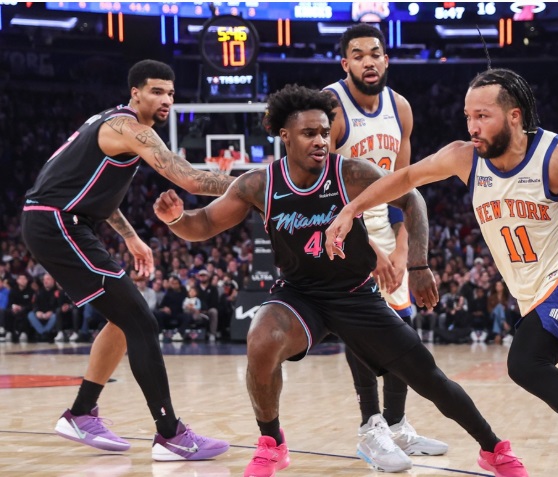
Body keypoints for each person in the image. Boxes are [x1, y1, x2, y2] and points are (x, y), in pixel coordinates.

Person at [324, 67, 558, 477]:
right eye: (468, 116)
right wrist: (351, 209)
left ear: (514, 116)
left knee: (525, 362)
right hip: (531, 296)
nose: (472, 127)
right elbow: (405, 178)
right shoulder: (463, 157)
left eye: (483, 116)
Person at [153, 84, 527, 477]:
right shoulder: (259, 184)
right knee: (261, 339)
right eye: (308, 133)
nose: (320, 140)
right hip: (300, 296)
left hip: (355, 294)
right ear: (285, 136)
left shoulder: (349, 172)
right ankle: (272, 444)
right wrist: (176, 218)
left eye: (324, 132)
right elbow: (205, 223)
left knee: (428, 377)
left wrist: (418, 265)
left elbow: (411, 198)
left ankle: (493, 448)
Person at [20, 59, 230, 460]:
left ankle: (82, 412)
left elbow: (94, 191)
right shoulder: (127, 127)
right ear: (136, 93)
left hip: (64, 221)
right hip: (57, 223)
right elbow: (188, 177)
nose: (166, 99)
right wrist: (259, 184)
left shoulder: (115, 126)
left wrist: (131, 236)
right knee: (141, 320)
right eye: (157, 91)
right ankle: (170, 434)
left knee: (122, 320)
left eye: (170, 93)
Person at [323, 24, 447, 469]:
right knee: (362, 329)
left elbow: (403, 187)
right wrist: (369, 252)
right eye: (358, 55)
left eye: (375, 53)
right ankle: (369, 427)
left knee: (401, 328)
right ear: (345, 63)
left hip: (383, 226)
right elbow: (324, 192)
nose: (368, 61)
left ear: (386, 60)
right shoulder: (332, 107)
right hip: (338, 224)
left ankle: (396, 425)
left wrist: (400, 250)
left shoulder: (401, 108)